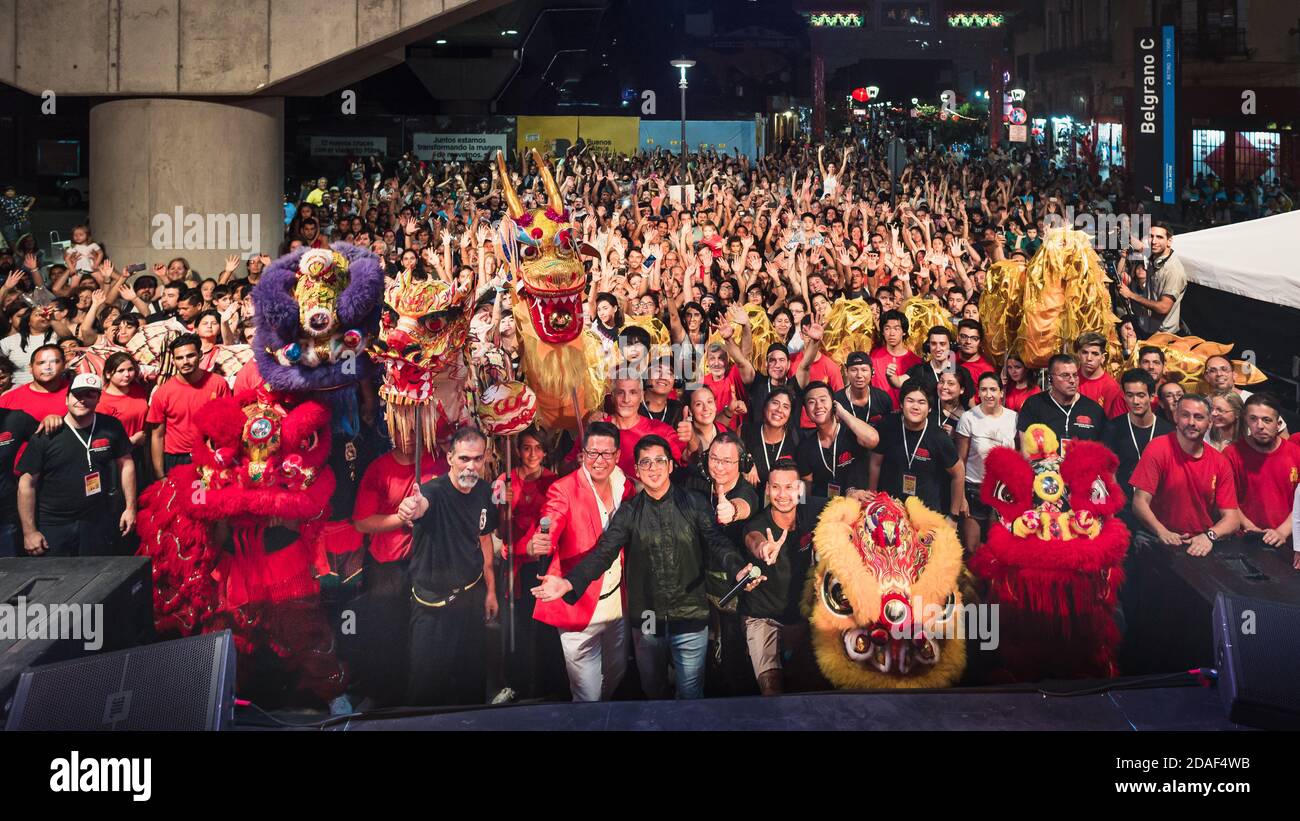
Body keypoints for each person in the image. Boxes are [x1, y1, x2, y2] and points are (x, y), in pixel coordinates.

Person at [531, 434, 763, 700]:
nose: (653, 469)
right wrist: (569, 582)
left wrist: (738, 568)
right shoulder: (629, 512)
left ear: (671, 466)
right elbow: (603, 553)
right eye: (645, 463)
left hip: (690, 616)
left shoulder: (694, 503)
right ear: (637, 471)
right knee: (653, 691)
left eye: (659, 461)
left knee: (690, 694)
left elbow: (717, 542)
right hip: (648, 619)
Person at [528, 422, 634, 702]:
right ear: (582, 454)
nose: (598, 461)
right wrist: (541, 538)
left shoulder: (625, 485)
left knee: (616, 673)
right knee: (587, 694)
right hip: (577, 602)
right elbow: (550, 518)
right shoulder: (563, 490)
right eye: (592, 453)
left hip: (616, 603)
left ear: (617, 455)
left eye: (606, 454)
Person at [397, 426, 499, 706]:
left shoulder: (485, 492)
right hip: (432, 605)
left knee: (472, 682)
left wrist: (490, 591)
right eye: (464, 458)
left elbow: (484, 539)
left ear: (486, 458)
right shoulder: (433, 491)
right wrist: (411, 508)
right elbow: (419, 506)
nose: (471, 465)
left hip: (470, 596)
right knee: (426, 687)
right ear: (451, 458)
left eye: (477, 459)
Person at [350, 432, 442, 707]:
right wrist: (399, 518)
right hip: (389, 566)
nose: (411, 438)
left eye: (416, 431)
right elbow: (362, 522)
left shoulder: (439, 463)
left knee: (426, 632)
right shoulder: (379, 469)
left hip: (429, 562)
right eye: (403, 431)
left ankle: (422, 697)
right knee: (389, 631)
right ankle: (387, 697)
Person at [17, 373, 135, 557]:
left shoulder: (111, 426)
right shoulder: (47, 433)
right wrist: (29, 532)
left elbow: (126, 464)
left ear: (98, 399)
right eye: (77, 394)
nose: (82, 400)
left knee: (97, 579)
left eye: (90, 395)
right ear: (66, 399)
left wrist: (130, 508)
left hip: (96, 521)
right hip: (54, 524)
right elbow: (26, 484)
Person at [740, 458, 825, 695]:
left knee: (803, 688)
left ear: (800, 490)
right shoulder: (757, 524)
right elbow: (753, 539)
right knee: (772, 689)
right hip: (762, 617)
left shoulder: (813, 511)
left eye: (789, 487)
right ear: (767, 489)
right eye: (775, 487)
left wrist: (854, 494)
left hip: (799, 619)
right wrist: (764, 548)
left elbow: (847, 506)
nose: (782, 494)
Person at [492, 428, 564, 701]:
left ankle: (551, 687)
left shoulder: (554, 483)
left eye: (538, 448)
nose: (532, 454)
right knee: (516, 627)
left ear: (545, 452)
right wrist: (506, 506)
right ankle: (515, 686)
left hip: (543, 566)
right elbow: (500, 532)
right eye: (526, 448)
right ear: (518, 450)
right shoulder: (503, 481)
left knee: (546, 628)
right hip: (515, 568)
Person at [1130, 394, 1239, 558]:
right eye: (1185, 415)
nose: (1192, 422)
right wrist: (1162, 532)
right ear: (1175, 417)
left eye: (1199, 417)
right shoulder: (1158, 448)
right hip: (1157, 537)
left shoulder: (1220, 462)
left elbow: (1232, 518)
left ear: (1210, 423)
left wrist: (1209, 535)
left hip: (1200, 541)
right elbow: (1139, 502)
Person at [870, 380, 963, 518]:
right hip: (890, 511)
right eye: (910, 401)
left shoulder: (938, 437)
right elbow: (875, 463)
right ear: (901, 404)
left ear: (930, 408)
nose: (915, 407)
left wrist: (953, 517)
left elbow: (958, 473)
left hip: (927, 514)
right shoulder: (887, 426)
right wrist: (871, 500)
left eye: (921, 402)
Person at [146, 334, 233, 477]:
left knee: (206, 499)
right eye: (179, 358)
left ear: (200, 355)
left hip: (210, 456)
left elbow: (228, 424)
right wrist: (160, 475)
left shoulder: (218, 384)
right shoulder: (162, 393)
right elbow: (157, 436)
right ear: (173, 361)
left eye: (190, 356)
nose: (185, 361)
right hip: (176, 459)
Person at [1223, 394, 1300, 551]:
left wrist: (1282, 532)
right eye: (1253, 419)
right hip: (1245, 539)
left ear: (1278, 424)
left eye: (1266, 420)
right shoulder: (1231, 454)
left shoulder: (1295, 453)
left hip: (1288, 538)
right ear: (1246, 421)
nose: (1260, 425)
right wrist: (1251, 529)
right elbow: (1226, 499)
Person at [954, 372, 1018, 553]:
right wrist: (961, 498)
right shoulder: (968, 418)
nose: (988, 394)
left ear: (1001, 392)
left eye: (993, 389)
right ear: (978, 393)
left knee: (997, 548)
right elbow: (960, 461)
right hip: (974, 489)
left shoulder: (1013, 418)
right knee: (972, 549)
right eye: (984, 390)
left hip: (1002, 492)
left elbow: (1019, 457)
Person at [795, 381, 880, 498]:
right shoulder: (805, 447)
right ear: (806, 411)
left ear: (834, 403)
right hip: (825, 509)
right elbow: (805, 487)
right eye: (811, 402)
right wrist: (802, 510)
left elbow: (873, 440)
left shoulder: (852, 432)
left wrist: (843, 413)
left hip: (859, 506)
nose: (818, 406)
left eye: (823, 400)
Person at [1101, 369, 1173, 498]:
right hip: (1123, 507)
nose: (1135, 401)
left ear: (1151, 396)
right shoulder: (1112, 428)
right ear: (1124, 396)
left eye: (1141, 395)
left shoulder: (1168, 431)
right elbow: (1108, 470)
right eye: (1130, 395)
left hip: (1157, 506)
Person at [1015, 354, 1106, 450]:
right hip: (1043, 464)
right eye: (1065, 375)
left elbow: (1103, 450)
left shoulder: (1094, 410)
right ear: (1050, 379)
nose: (1072, 380)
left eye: (1075, 375)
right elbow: (1026, 450)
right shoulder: (1033, 405)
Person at [1120, 223, 1187, 336]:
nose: (1154, 241)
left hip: (1162, 335)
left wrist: (1131, 295)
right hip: (1146, 327)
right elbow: (1140, 247)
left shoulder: (1173, 270)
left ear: (1169, 241)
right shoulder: (1155, 257)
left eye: (1159, 237)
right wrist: (1123, 233)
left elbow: (1163, 307)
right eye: (1151, 236)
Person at [742, 386, 800, 486]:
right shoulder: (746, 430)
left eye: (785, 406)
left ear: (790, 415)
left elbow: (802, 481)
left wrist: (800, 502)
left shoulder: (797, 439)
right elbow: (731, 454)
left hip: (784, 499)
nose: (779, 409)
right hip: (750, 498)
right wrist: (745, 464)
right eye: (775, 403)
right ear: (765, 407)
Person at [0, 404, 38, 555]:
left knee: (10, 575)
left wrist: (50, 421)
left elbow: (46, 441)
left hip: (5, 519)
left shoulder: (15, 419)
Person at [871, 310, 922, 407]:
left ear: (904, 332)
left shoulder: (916, 361)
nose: (891, 333)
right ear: (882, 332)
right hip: (877, 415)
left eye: (896, 328)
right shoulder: (873, 356)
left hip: (905, 415)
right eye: (887, 328)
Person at [1074, 332, 1126, 419]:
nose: (1089, 358)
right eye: (1085, 352)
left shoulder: (1112, 388)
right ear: (1078, 354)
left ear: (1103, 357)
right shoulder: (1070, 380)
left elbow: (1114, 424)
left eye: (1095, 354)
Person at [834, 351, 892, 425]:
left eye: (864, 370)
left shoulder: (882, 398)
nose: (859, 375)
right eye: (854, 370)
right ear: (846, 372)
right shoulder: (837, 400)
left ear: (872, 372)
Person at [955, 319, 996, 385]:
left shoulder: (986, 369)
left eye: (974, 338)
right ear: (957, 337)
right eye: (964, 336)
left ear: (980, 342)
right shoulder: (950, 358)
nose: (968, 342)